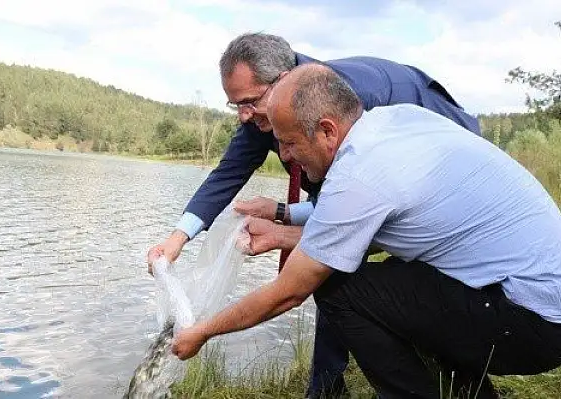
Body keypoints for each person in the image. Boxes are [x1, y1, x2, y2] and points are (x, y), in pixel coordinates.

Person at [171, 63, 561, 398]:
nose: (285, 155)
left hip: (532, 323)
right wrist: (284, 230)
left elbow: (287, 293)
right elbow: (374, 227)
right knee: (401, 281)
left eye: (289, 142)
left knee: (340, 288)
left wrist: (202, 331)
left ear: (326, 131)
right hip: (531, 298)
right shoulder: (395, 121)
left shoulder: (359, 176)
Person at [147, 32, 481, 397]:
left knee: (357, 266)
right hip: (380, 178)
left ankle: (443, 370)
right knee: (336, 262)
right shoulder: (265, 110)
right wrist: (178, 238)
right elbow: (229, 172)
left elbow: (338, 226)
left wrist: (207, 329)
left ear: (280, 80)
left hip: (443, 150)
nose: (243, 115)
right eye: (234, 105)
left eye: (248, 102)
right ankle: (335, 385)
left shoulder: (341, 104)